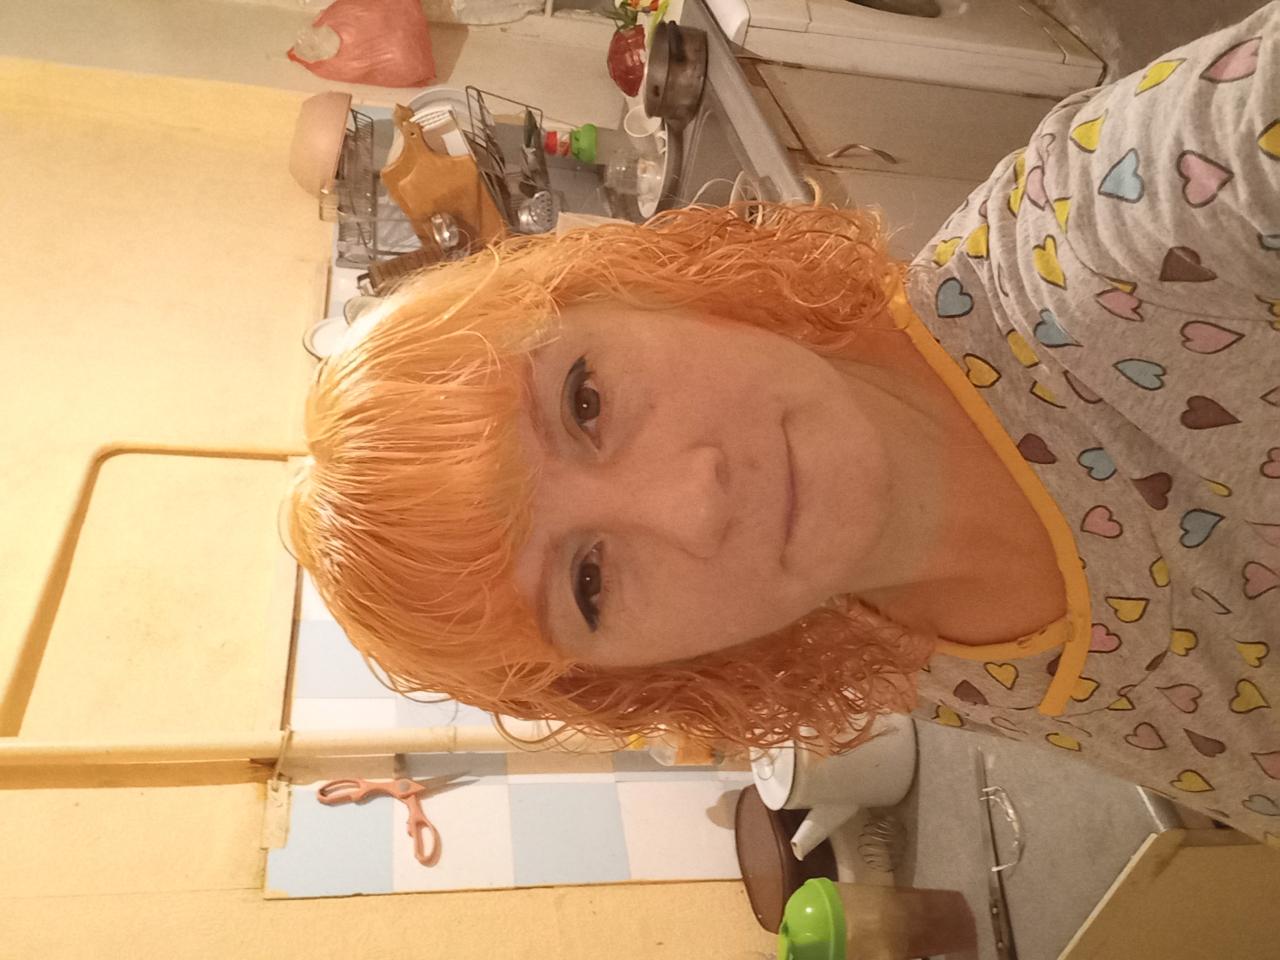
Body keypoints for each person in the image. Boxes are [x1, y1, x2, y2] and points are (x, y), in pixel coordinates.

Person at [289, 3, 1280, 843]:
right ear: (632, 675)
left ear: (635, 287)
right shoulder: (893, 655)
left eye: (584, 401)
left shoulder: (1118, 225)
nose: (691, 504)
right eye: (588, 582)